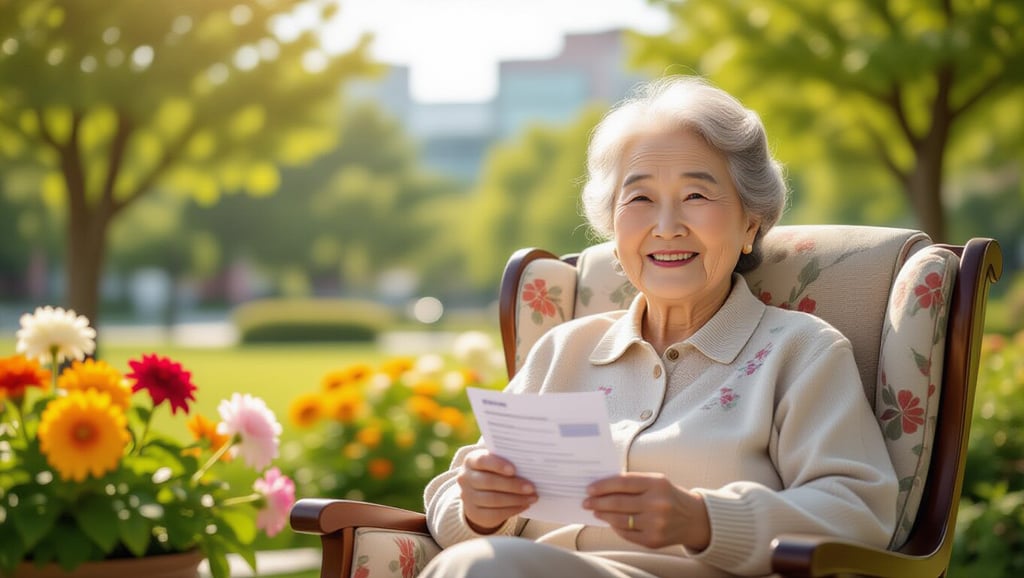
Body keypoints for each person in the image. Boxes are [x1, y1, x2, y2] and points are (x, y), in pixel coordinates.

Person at [419, 76, 897, 577]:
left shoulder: (802, 352)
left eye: (695, 195)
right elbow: (455, 501)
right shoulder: (564, 349)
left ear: (751, 224)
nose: (666, 226)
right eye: (640, 199)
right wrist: (478, 506)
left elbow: (859, 512)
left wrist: (705, 520)